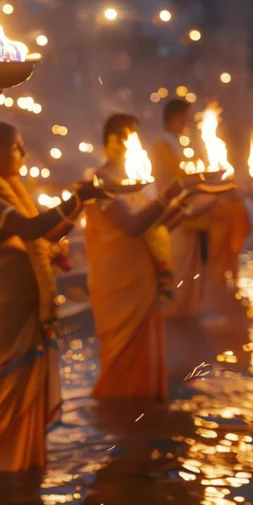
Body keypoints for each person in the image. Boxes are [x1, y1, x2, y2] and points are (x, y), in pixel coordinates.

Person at [0, 121, 108, 472]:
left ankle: (19, 477)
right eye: (16, 147)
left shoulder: (10, 192)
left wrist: (83, 203)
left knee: (24, 406)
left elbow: (48, 233)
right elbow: (30, 228)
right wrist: (78, 197)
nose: (23, 154)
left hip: (23, 315)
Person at [85, 114, 199, 401]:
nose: (136, 142)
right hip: (118, 284)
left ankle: (141, 417)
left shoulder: (132, 181)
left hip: (142, 280)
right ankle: (116, 417)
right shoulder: (103, 181)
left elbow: (154, 228)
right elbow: (132, 226)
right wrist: (172, 190)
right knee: (121, 364)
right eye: (128, 135)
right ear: (112, 140)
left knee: (144, 364)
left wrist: (185, 203)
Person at [151, 98, 214, 316]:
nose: (186, 122)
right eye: (183, 118)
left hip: (188, 212)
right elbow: (174, 179)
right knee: (177, 265)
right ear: (173, 118)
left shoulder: (179, 144)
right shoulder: (162, 145)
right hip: (173, 212)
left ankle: (187, 312)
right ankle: (171, 314)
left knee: (190, 267)